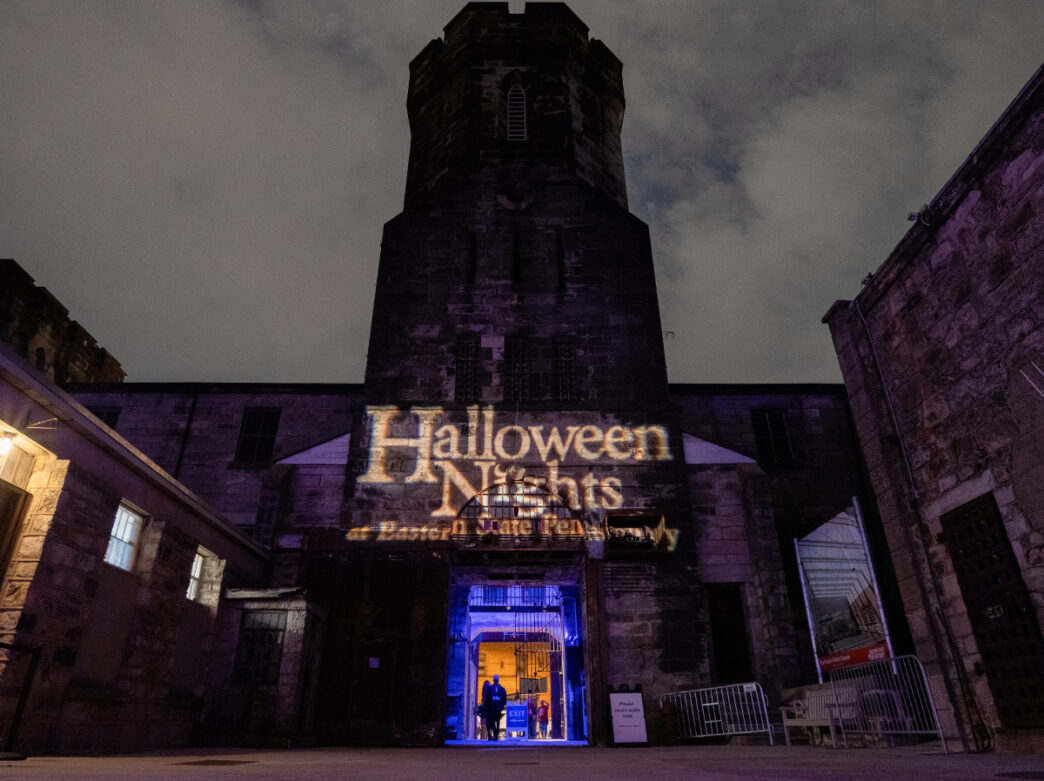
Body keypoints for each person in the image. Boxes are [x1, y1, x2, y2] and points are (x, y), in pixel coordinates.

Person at [482, 674, 507, 741]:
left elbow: (487, 699)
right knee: (498, 721)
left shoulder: (490, 688)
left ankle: (495, 734)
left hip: (491, 708)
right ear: (498, 680)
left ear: (493, 680)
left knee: (492, 720)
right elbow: (504, 699)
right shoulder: (502, 689)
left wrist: (487, 707)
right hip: (499, 708)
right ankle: (496, 735)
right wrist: (501, 705)